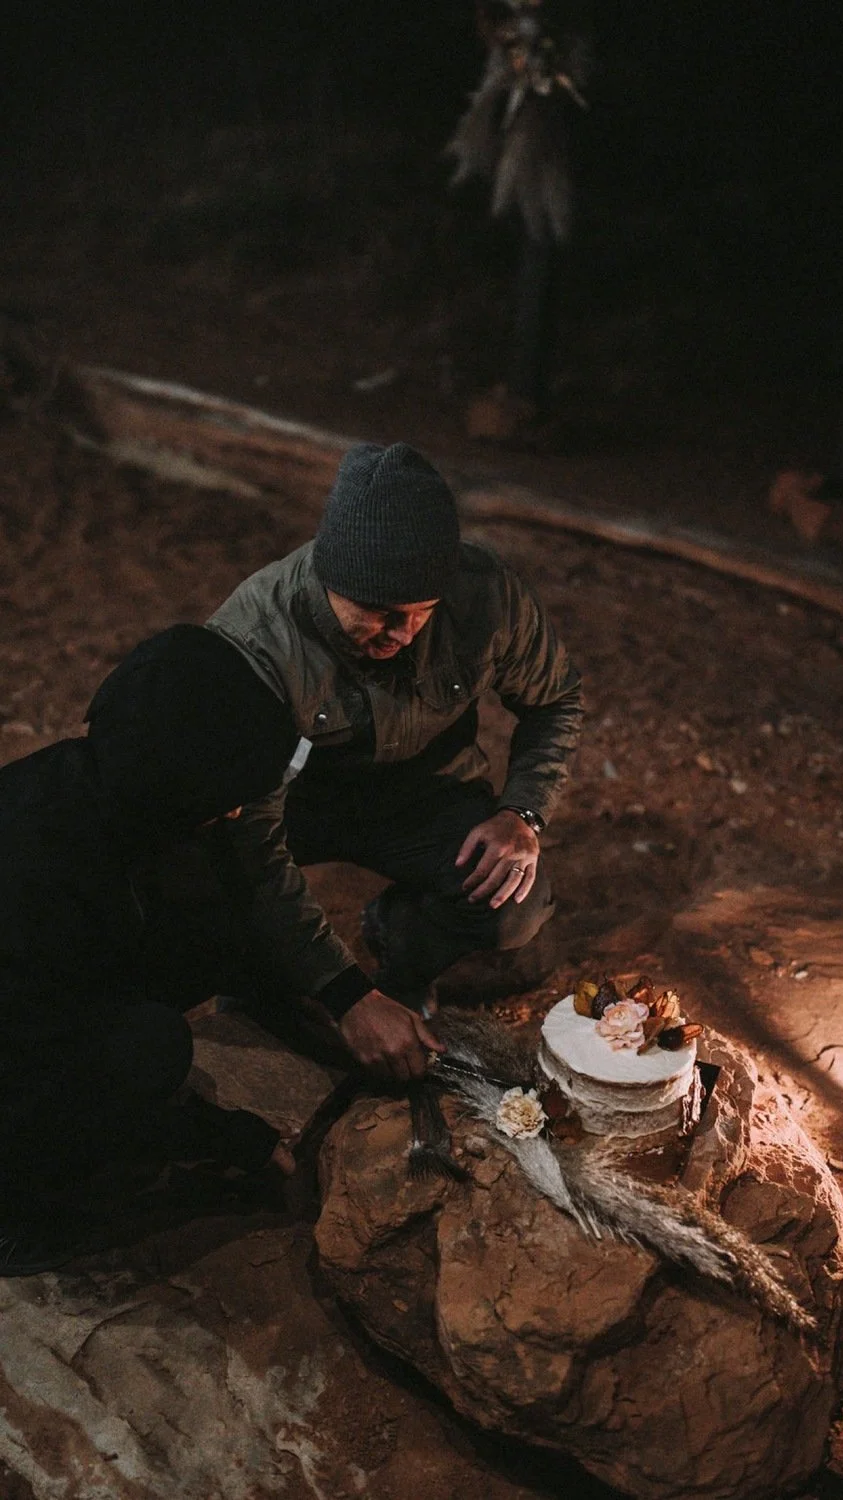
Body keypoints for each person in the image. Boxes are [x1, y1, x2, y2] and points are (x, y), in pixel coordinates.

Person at [208, 440, 583, 1082]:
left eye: (421, 613)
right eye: (380, 614)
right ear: (333, 582)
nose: (404, 634)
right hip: (295, 803)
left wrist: (523, 812)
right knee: (212, 885)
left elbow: (555, 699)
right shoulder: (259, 639)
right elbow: (248, 842)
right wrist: (343, 994)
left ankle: (402, 956)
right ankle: (265, 994)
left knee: (512, 903)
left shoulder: (485, 595)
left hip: (422, 792)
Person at [0, 625, 309, 1275]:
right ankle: (16, 1217)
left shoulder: (81, 778)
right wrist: (228, 1139)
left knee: (206, 923)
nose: (234, 813)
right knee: (151, 1049)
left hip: (38, 991)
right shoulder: (41, 879)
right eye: (224, 797)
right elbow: (36, 1061)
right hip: (17, 1046)